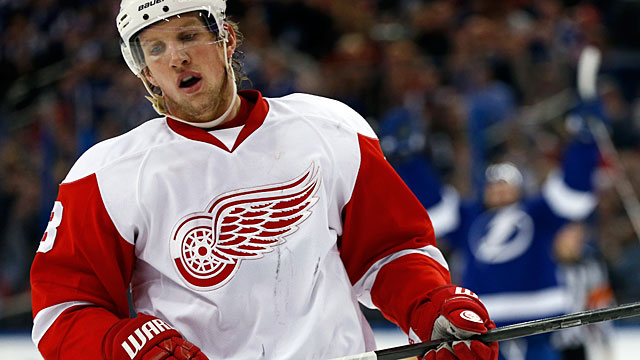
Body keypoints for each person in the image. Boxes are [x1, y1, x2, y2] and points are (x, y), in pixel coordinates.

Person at [29, 1, 499, 359]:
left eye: (188, 35)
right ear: (147, 74)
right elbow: (62, 314)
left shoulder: (330, 127)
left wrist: (430, 304)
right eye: (156, 49)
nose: (176, 58)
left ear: (227, 39)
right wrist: (128, 343)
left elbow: (389, 250)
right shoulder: (106, 172)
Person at [419, 134, 601, 360]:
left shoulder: (537, 212)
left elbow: (573, 195)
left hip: (539, 313)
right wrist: (412, 162)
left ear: (520, 187)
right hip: (486, 318)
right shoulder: (469, 217)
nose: (499, 190)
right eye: (493, 185)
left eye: (505, 184)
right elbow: (433, 209)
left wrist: (583, 144)